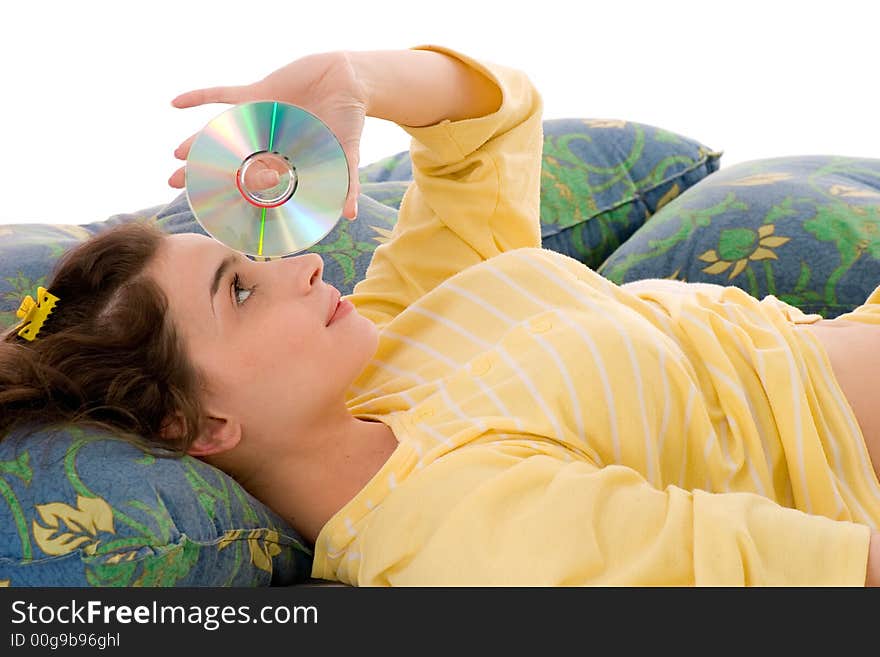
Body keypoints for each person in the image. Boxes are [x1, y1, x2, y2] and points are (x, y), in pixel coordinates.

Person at [3, 44, 880, 586]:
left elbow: (488, 128)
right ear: (197, 424)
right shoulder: (452, 531)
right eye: (239, 289)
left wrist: (355, 77)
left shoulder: (380, 343)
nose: (303, 264)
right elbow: (809, 574)